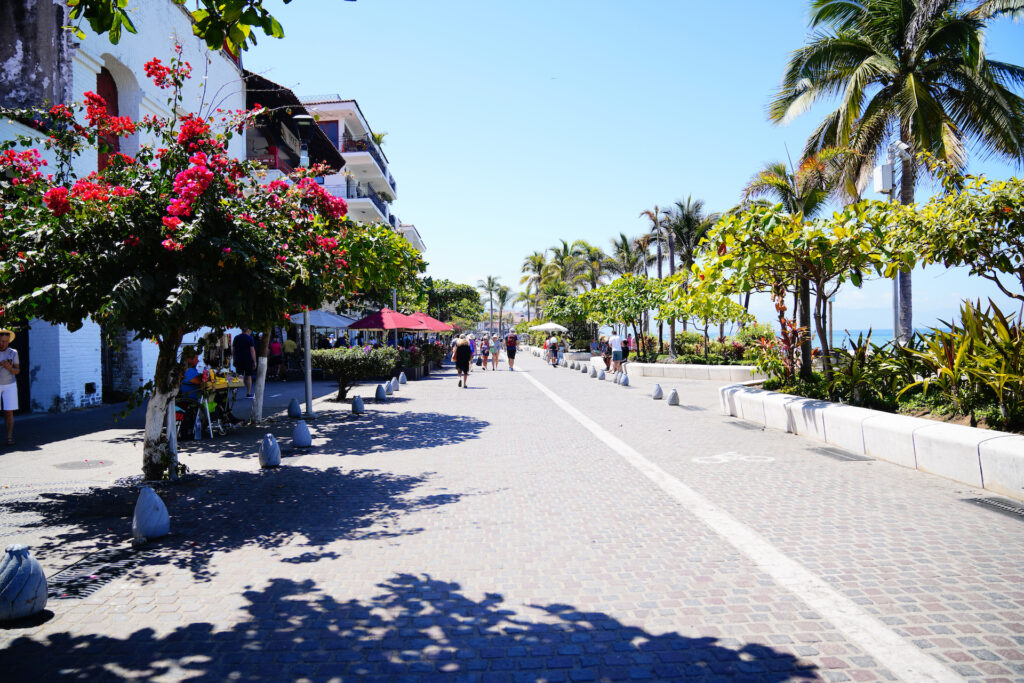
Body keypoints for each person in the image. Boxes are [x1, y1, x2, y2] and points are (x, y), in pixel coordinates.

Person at [0, 328, 21, 446]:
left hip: (10, 384)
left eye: (6, 341)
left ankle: (9, 437)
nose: (3, 343)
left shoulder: (13, 352)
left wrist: (10, 368)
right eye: (2, 341)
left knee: (9, 412)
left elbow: (18, 370)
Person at [232, 328, 257, 398]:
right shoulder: (250, 338)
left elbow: (233, 350)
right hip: (248, 360)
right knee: (248, 376)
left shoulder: (236, 338)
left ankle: (235, 391)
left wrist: (234, 359)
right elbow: (252, 351)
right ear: (248, 330)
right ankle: (248, 393)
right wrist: (254, 361)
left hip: (238, 359)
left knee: (239, 376)